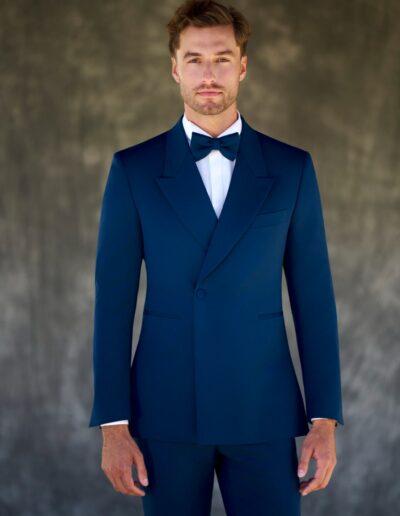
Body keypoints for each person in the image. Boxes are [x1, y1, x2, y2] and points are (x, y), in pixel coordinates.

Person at [88, 1, 344, 514]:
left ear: (243, 66)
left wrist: (325, 419)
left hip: (263, 409)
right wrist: (113, 425)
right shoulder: (133, 170)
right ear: (175, 68)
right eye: (195, 59)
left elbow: (314, 301)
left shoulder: (291, 168)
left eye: (222, 58)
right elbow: (112, 305)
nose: (209, 74)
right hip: (165, 410)